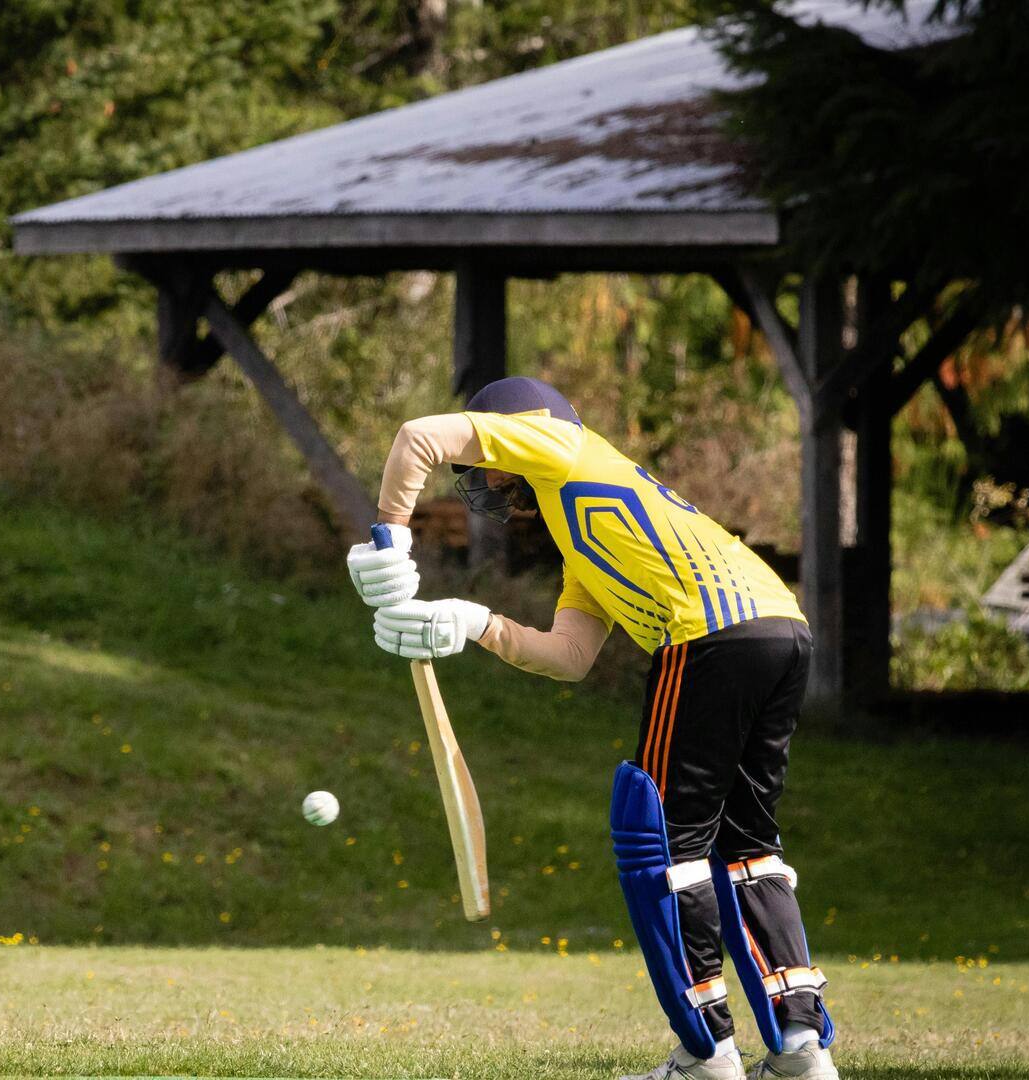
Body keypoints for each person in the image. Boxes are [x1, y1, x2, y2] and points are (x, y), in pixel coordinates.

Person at [347, 377, 837, 1080]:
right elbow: (570, 656)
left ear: (518, 431)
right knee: (745, 843)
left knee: (659, 838)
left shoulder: (558, 443)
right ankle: (800, 1051)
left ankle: (708, 1053)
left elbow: (417, 437)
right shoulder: (587, 528)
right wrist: (470, 621)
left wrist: (390, 542)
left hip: (708, 636)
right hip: (780, 630)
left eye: (486, 459)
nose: (484, 479)